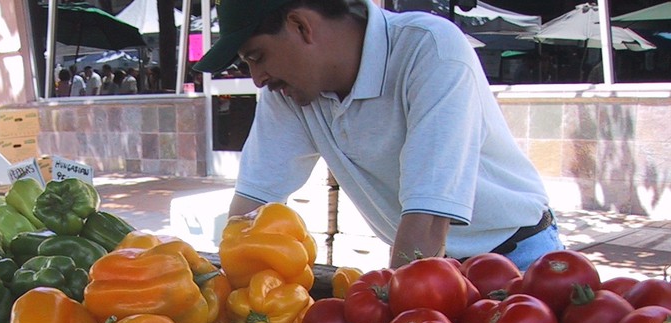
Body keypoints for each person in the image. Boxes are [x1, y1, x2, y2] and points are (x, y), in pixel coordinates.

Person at [192, 0, 562, 270]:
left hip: (517, 259)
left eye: (257, 57)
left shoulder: (429, 49)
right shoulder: (289, 92)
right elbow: (251, 208)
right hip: (421, 265)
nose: (257, 79)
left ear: (301, 26)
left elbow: (428, 220)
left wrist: (393, 320)